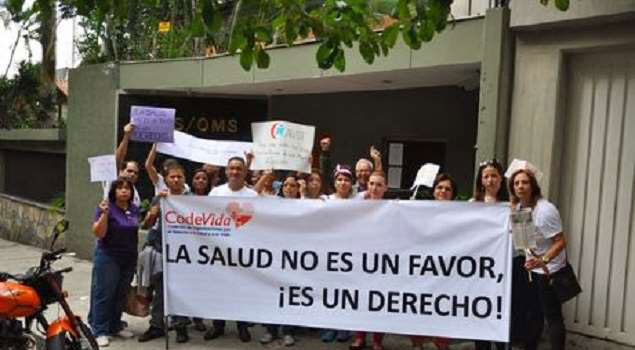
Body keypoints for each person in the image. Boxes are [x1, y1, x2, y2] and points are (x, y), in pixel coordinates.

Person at [508, 167, 567, 350]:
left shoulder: (546, 210)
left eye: (525, 182)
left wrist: (544, 260)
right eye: (516, 183)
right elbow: (523, 240)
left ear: (533, 185)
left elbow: (561, 241)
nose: (520, 186)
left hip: (550, 270)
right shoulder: (519, 208)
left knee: (552, 317)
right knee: (533, 313)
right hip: (531, 269)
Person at [204, 156, 257, 343]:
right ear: (226, 171)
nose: (235, 172)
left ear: (245, 171)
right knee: (219, 289)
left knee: (241, 289)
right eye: (231, 168)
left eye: (239, 168)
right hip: (219, 251)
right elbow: (207, 218)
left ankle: (242, 326)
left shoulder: (252, 196)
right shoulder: (216, 193)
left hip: (243, 252)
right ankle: (218, 325)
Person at [137, 163, 191, 344]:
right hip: (161, 250)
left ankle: (181, 326)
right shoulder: (159, 198)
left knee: (182, 290)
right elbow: (146, 225)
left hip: (184, 254)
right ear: (166, 180)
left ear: (184, 179)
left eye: (179, 177)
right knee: (160, 291)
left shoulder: (192, 200)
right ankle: (157, 326)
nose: (176, 180)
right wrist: (153, 213)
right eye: (172, 177)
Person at [88, 178, 139, 347]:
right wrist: (104, 214)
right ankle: (99, 330)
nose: (124, 191)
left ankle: (115, 325)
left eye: (127, 188)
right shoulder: (106, 208)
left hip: (129, 257)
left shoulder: (134, 209)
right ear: (113, 192)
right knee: (104, 293)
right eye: (120, 188)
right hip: (108, 256)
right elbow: (99, 233)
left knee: (120, 293)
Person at [471, 159, 515, 350]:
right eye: (486, 176)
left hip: (504, 269)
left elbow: (523, 237)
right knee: (480, 311)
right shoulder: (472, 204)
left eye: (494, 176)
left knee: (502, 311)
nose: (490, 180)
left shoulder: (511, 205)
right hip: (479, 269)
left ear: (501, 179)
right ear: (481, 180)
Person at [410, 173, 455, 350]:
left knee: (445, 308)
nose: (443, 191)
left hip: (448, 270)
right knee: (419, 307)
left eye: (447, 189)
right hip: (422, 268)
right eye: (439, 187)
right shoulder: (421, 210)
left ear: (452, 193)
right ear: (433, 190)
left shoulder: (463, 213)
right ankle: (417, 344)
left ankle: (442, 344)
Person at [259, 174, 301, 346]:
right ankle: (271, 330)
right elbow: (255, 196)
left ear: (298, 188)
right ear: (281, 188)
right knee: (272, 293)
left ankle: (288, 332)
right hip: (275, 255)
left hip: (295, 257)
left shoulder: (305, 204)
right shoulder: (273, 203)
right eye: (286, 185)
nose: (289, 188)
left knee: (290, 295)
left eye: (293, 185)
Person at [350, 171, 388, 350]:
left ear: (385, 188)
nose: (374, 187)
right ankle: (359, 337)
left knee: (379, 302)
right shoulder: (357, 205)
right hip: (359, 260)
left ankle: (377, 341)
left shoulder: (393, 207)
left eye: (379, 184)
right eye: (372, 183)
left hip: (382, 262)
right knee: (359, 300)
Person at [321, 164, 354, 343]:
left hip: (349, 254)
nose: (343, 183)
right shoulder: (325, 200)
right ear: (334, 182)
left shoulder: (358, 200)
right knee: (329, 292)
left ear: (351, 183)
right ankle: (328, 327)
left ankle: (344, 328)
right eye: (339, 179)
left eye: (347, 180)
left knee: (346, 293)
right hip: (329, 252)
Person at [113, 122, 141, 206]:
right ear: (121, 171)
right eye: (129, 171)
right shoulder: (114, 182)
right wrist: (126, 136)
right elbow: (118, 159)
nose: (133, 174)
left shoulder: (135, 193)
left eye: (136, 173)